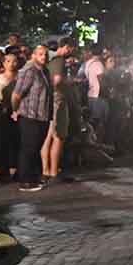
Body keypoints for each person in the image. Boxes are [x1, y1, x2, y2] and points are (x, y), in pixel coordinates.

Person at [11, 45, 53, 192]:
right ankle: (25, 181)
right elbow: (16, 94)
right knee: (28, 148)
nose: (44, 57)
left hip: (43, 116)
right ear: (34, 55)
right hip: (30, 115)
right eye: (40, 54)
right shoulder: (29, 70)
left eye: (46, 54)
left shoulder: (45, 71)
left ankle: (33, 178)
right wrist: (15, 110)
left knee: (35, 148)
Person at [42, 36, 78, 184]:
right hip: (58, 100)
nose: (73, 51)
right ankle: (53, 171)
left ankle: (46, 170)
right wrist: (71, 81)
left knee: (48, 137)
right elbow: (56, 80)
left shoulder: (50, 60)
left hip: (50, 101)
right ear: (67, 47)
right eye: (72, 48)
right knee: (59, 136)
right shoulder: (59, 61)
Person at [0, 52, 17, 184]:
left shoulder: (20, 77)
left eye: (14, 61)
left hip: (17, 113)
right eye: (8, 61)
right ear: (3, 63)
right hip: (1, 114)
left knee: (14, 140)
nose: (11, 64)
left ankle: (13, 169)